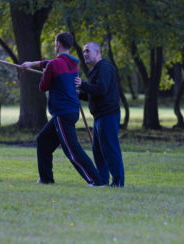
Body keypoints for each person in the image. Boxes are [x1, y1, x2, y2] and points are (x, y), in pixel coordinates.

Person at [21, 32, 104, 187]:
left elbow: (42, 87)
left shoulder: (54, 65)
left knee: (72, 150)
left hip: (63, 112)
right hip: (71, 110)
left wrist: (46, 74)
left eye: (54, 42)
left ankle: (96, 180)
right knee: (43, 141)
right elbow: (52, 63)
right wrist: (32, 64)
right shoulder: (73, 62)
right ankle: (46, 179)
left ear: (58, 44)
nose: (54, 45)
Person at [75, 42, 125, 187]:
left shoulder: (104, 68)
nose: (85, 54)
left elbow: (101, 89)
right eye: (84, 51)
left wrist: (82, 84)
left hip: (108, 115)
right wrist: (78, 93)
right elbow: (93, 93)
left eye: (88, 51)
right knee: (98, 150)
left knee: (110, 148)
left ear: (97, 52)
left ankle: (118, 182)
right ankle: (102, 180)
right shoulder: (95, 70)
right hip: (100, 117)